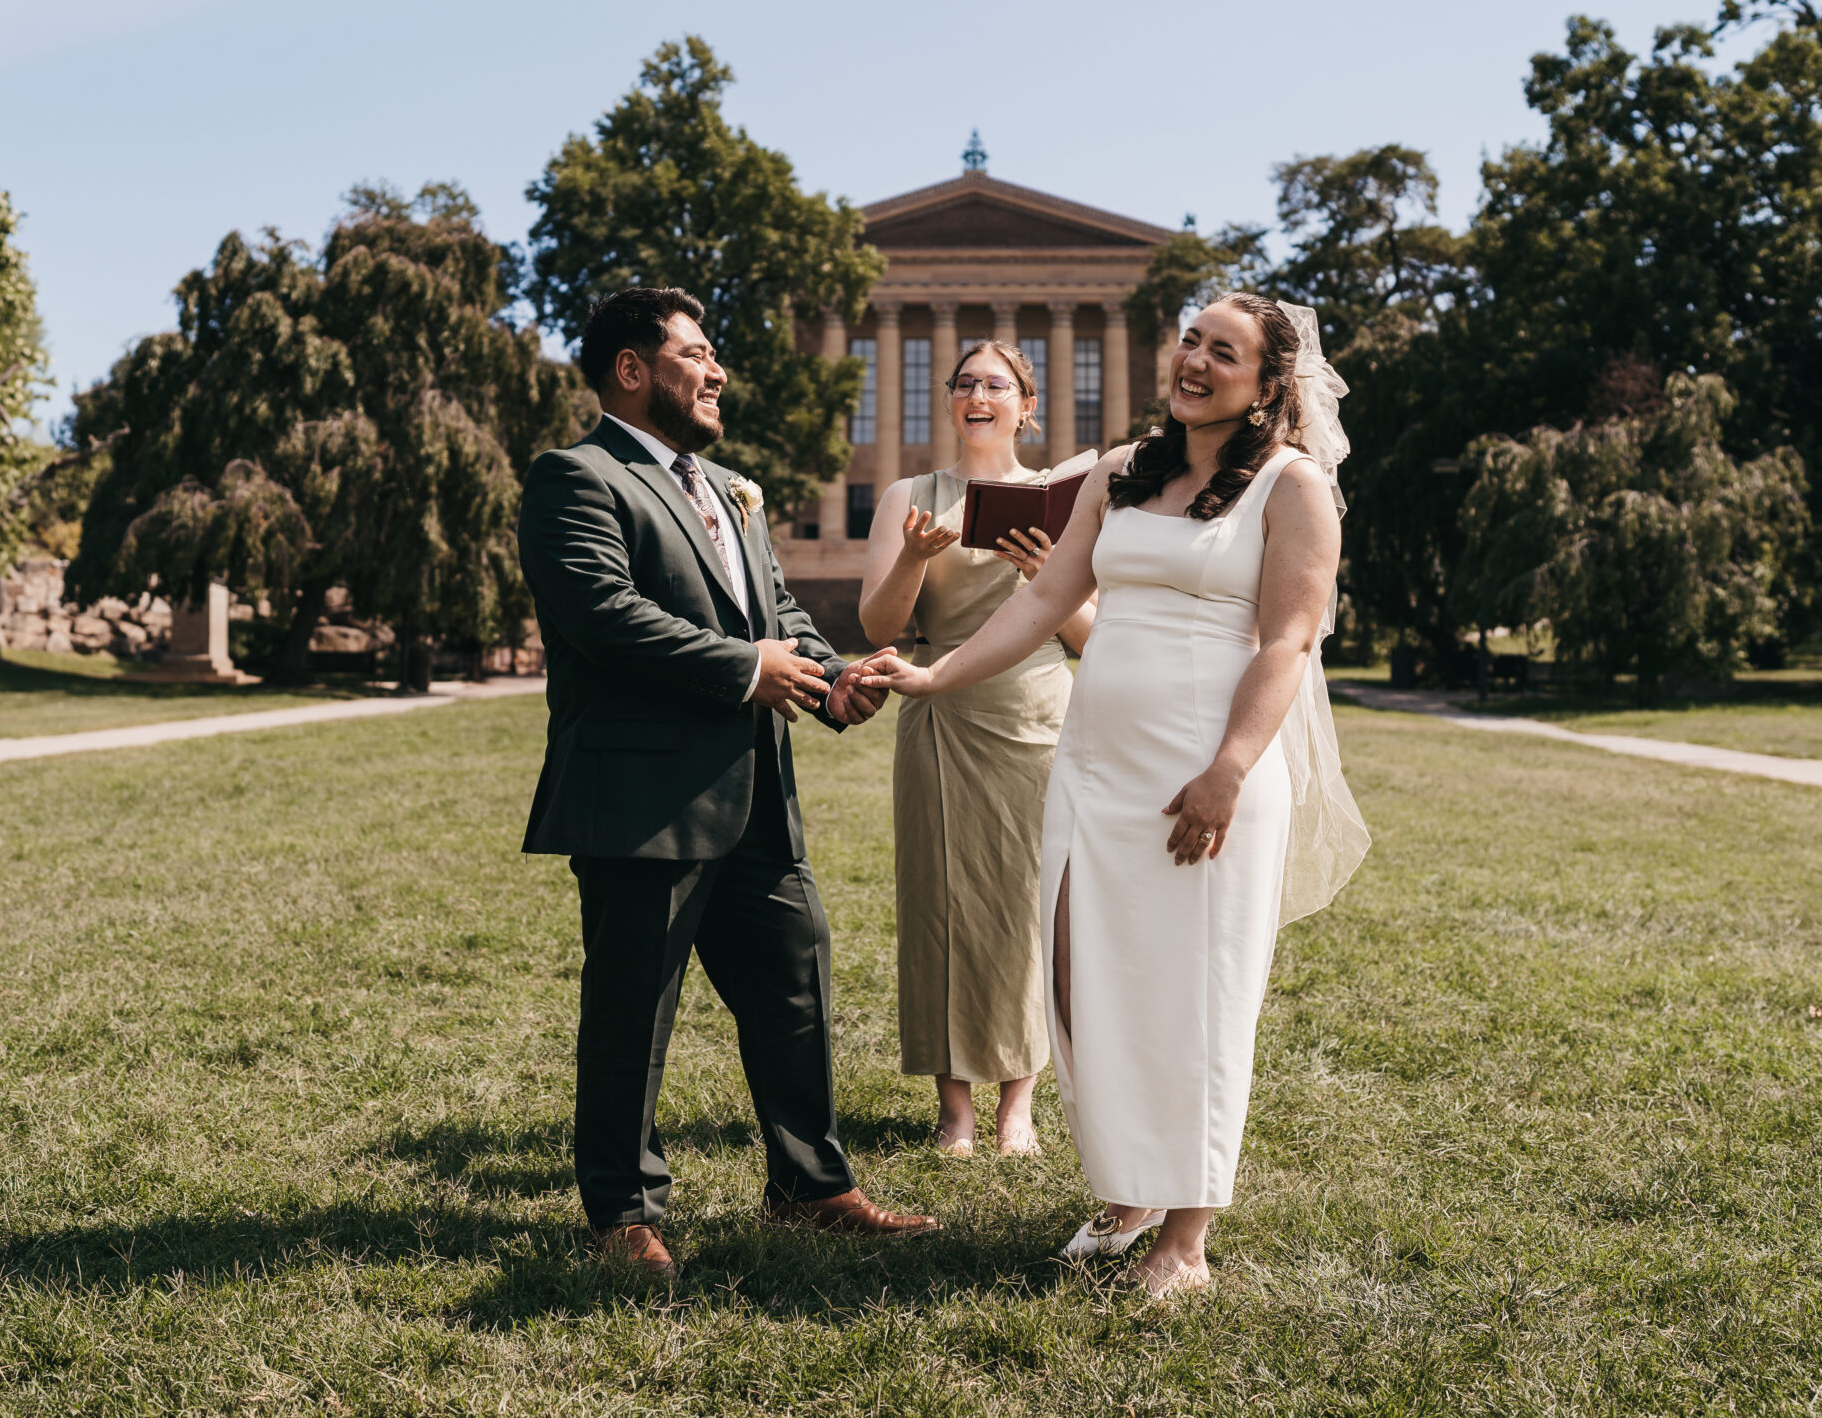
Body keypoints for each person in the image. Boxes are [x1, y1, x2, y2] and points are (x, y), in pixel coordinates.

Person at [856, 295, 1370, 1298]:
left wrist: (1227, 768)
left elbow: (1285, 641)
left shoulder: (1289, 485)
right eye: (1189, 341)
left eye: (1223, 352)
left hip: (1206, 771)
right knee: (1082, 980)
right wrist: (933, 675)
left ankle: (1186, 1235)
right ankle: (1129, 1187)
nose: (1194, 362)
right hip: (1094, 766)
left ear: (1266, 384)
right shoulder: (1120, 472)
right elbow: (1046, 601)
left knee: (1198, 994)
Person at [516, 286, 937, 1285]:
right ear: (632, 370)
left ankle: (808, 1186)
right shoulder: (575, 478)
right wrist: (748, 669)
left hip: (757, 794)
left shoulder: (729, 489)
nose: (717, 373)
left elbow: (777, 607)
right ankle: (621, 1212)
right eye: (695, 355)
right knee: (633, 1011)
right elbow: (602, 614)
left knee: (795, 980)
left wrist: (831, 682)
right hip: (642, 798)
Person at [855, 339, 1095, 1157]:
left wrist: (1045, 581)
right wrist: (918, 561)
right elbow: (880, 629)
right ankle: (953, 1107)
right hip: (939, 710)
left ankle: (1016, 1105)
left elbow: (1092, 637)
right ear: (949, 400)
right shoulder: (909, 496)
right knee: (940, 902)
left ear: (1027, 404)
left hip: (1034, 712)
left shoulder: (1066, 500)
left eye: (996, 383)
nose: (977, 394)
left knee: (1028, 901)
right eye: (964, 383)